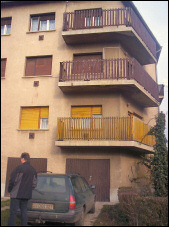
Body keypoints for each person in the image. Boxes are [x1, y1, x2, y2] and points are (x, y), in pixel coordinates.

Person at [8, 153, 37, 226]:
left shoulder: (19, 168)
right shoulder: (33, 170)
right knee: (24, 212)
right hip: (26, 195)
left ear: (23, 159)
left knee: (13, 213)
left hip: (16, 195)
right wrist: (29, 190)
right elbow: (34, 184)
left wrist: (10, 189)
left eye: (21, 158)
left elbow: (12, 180)